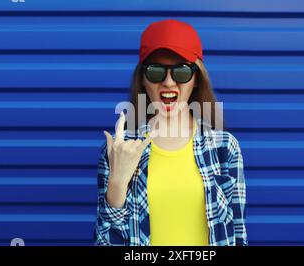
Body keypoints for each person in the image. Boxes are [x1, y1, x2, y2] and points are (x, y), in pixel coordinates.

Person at [95, 19, 247, 246]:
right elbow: (104, 242)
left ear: (196, 79)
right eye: (156, 71)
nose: (168, 82)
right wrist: (117, 183)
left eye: (181, 71)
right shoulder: (120, 149)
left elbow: (238, 234)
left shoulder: (224, 147)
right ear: (143, 80)